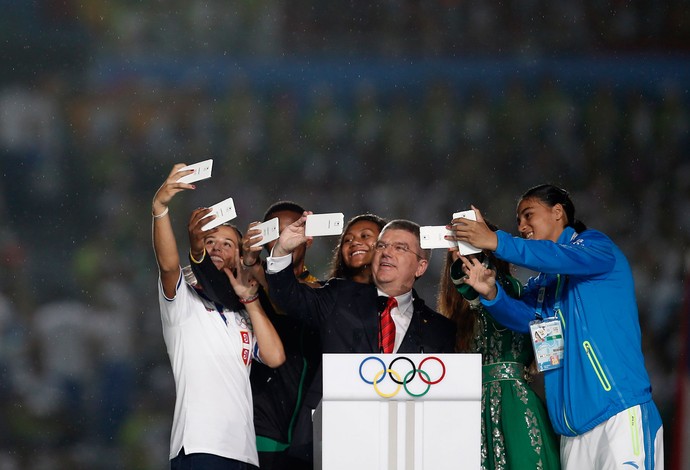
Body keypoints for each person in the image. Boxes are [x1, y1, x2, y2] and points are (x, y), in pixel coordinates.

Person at [451, 184, 663, 469]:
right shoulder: (543, 284)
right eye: (518, 221)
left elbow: (559, 256)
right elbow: (525, 320)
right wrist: (491, 294)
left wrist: (496, 241)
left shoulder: (596, 247)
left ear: (558, 212)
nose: (522, 226)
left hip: (619, 412)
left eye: (528, 215)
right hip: (571, 431)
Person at [152, 163, 285, 470]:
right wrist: (160, 209)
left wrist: (249, 298)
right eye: (210, 240)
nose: (216, 247)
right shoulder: (183, 301)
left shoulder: (244, 314)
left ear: (239, 257)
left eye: (227, 244)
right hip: (200, 446)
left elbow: (275, 356)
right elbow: (170, 266)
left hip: (244, 452)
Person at [265, 214, 457, 415]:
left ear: (421, 267)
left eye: (399, 248)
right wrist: (282, 250)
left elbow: (442, 400)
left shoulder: (439, 330)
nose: (386, 253)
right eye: (381, 246)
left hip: (401, 436)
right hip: (331, 433)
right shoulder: (338, 296)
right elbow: (287, 296)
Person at [191, 201, 322, 470]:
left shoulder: (320, 293)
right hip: (260, 432)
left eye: (290, 232)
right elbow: (218, 285)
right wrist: (245, 261)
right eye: (274, 233)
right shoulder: (245, 287)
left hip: (306, 436)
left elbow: (289, 301)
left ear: (307, 240)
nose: (283, 240)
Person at [437, 245, 560, 469]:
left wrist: (483, 286)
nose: (464, 257)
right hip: (468, 408)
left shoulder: (508, 289)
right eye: (457, 250)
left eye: (470, 246)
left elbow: (476, 289)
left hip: (513, 402)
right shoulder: (456, 310)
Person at [326, 213, 387, 284]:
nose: (354, 242)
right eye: (348, 240)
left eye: (365, 236)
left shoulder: (400, 290)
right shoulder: (329, 291)